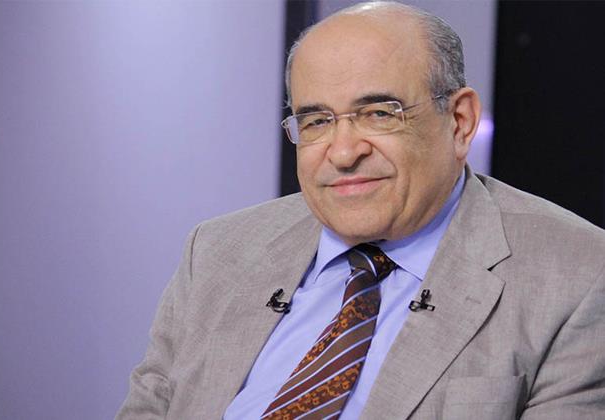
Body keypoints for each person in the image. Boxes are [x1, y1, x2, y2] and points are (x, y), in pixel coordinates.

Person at [116, 1, 605, 419]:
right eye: (316, 120)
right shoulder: (217, 252)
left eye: (379, 113)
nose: (344, 152)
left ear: (459, 122)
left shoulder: (578, 278)